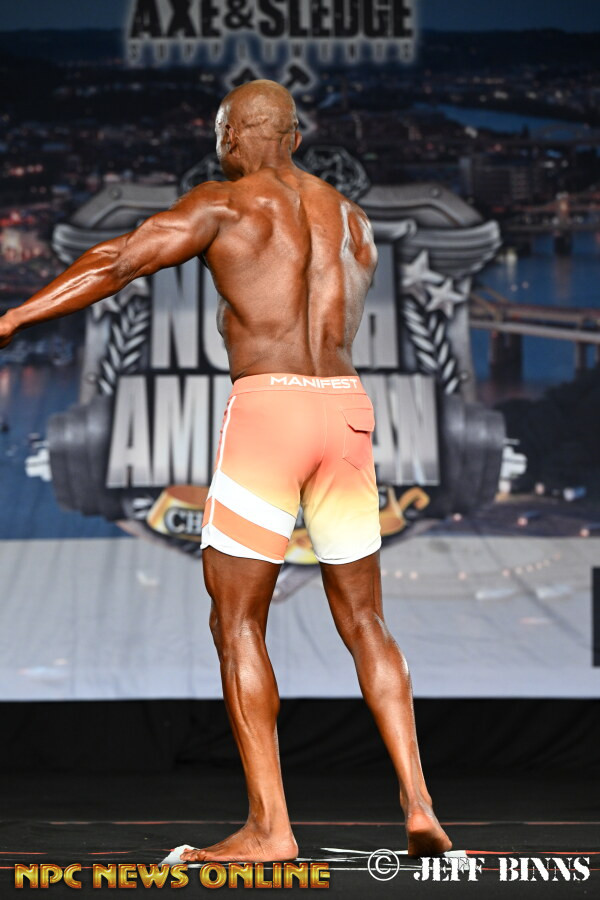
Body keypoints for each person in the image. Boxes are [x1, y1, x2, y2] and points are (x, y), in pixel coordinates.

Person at [0, 80, 452, 863]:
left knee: (237, 621)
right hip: (346, 413)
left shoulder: (224, 203)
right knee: (366, 621)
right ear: (296, 138)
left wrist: (13, 316)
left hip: (270, 411)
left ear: (228, 137)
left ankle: (271, 829)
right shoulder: (352, 218)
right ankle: (420, 804)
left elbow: (115, 261)